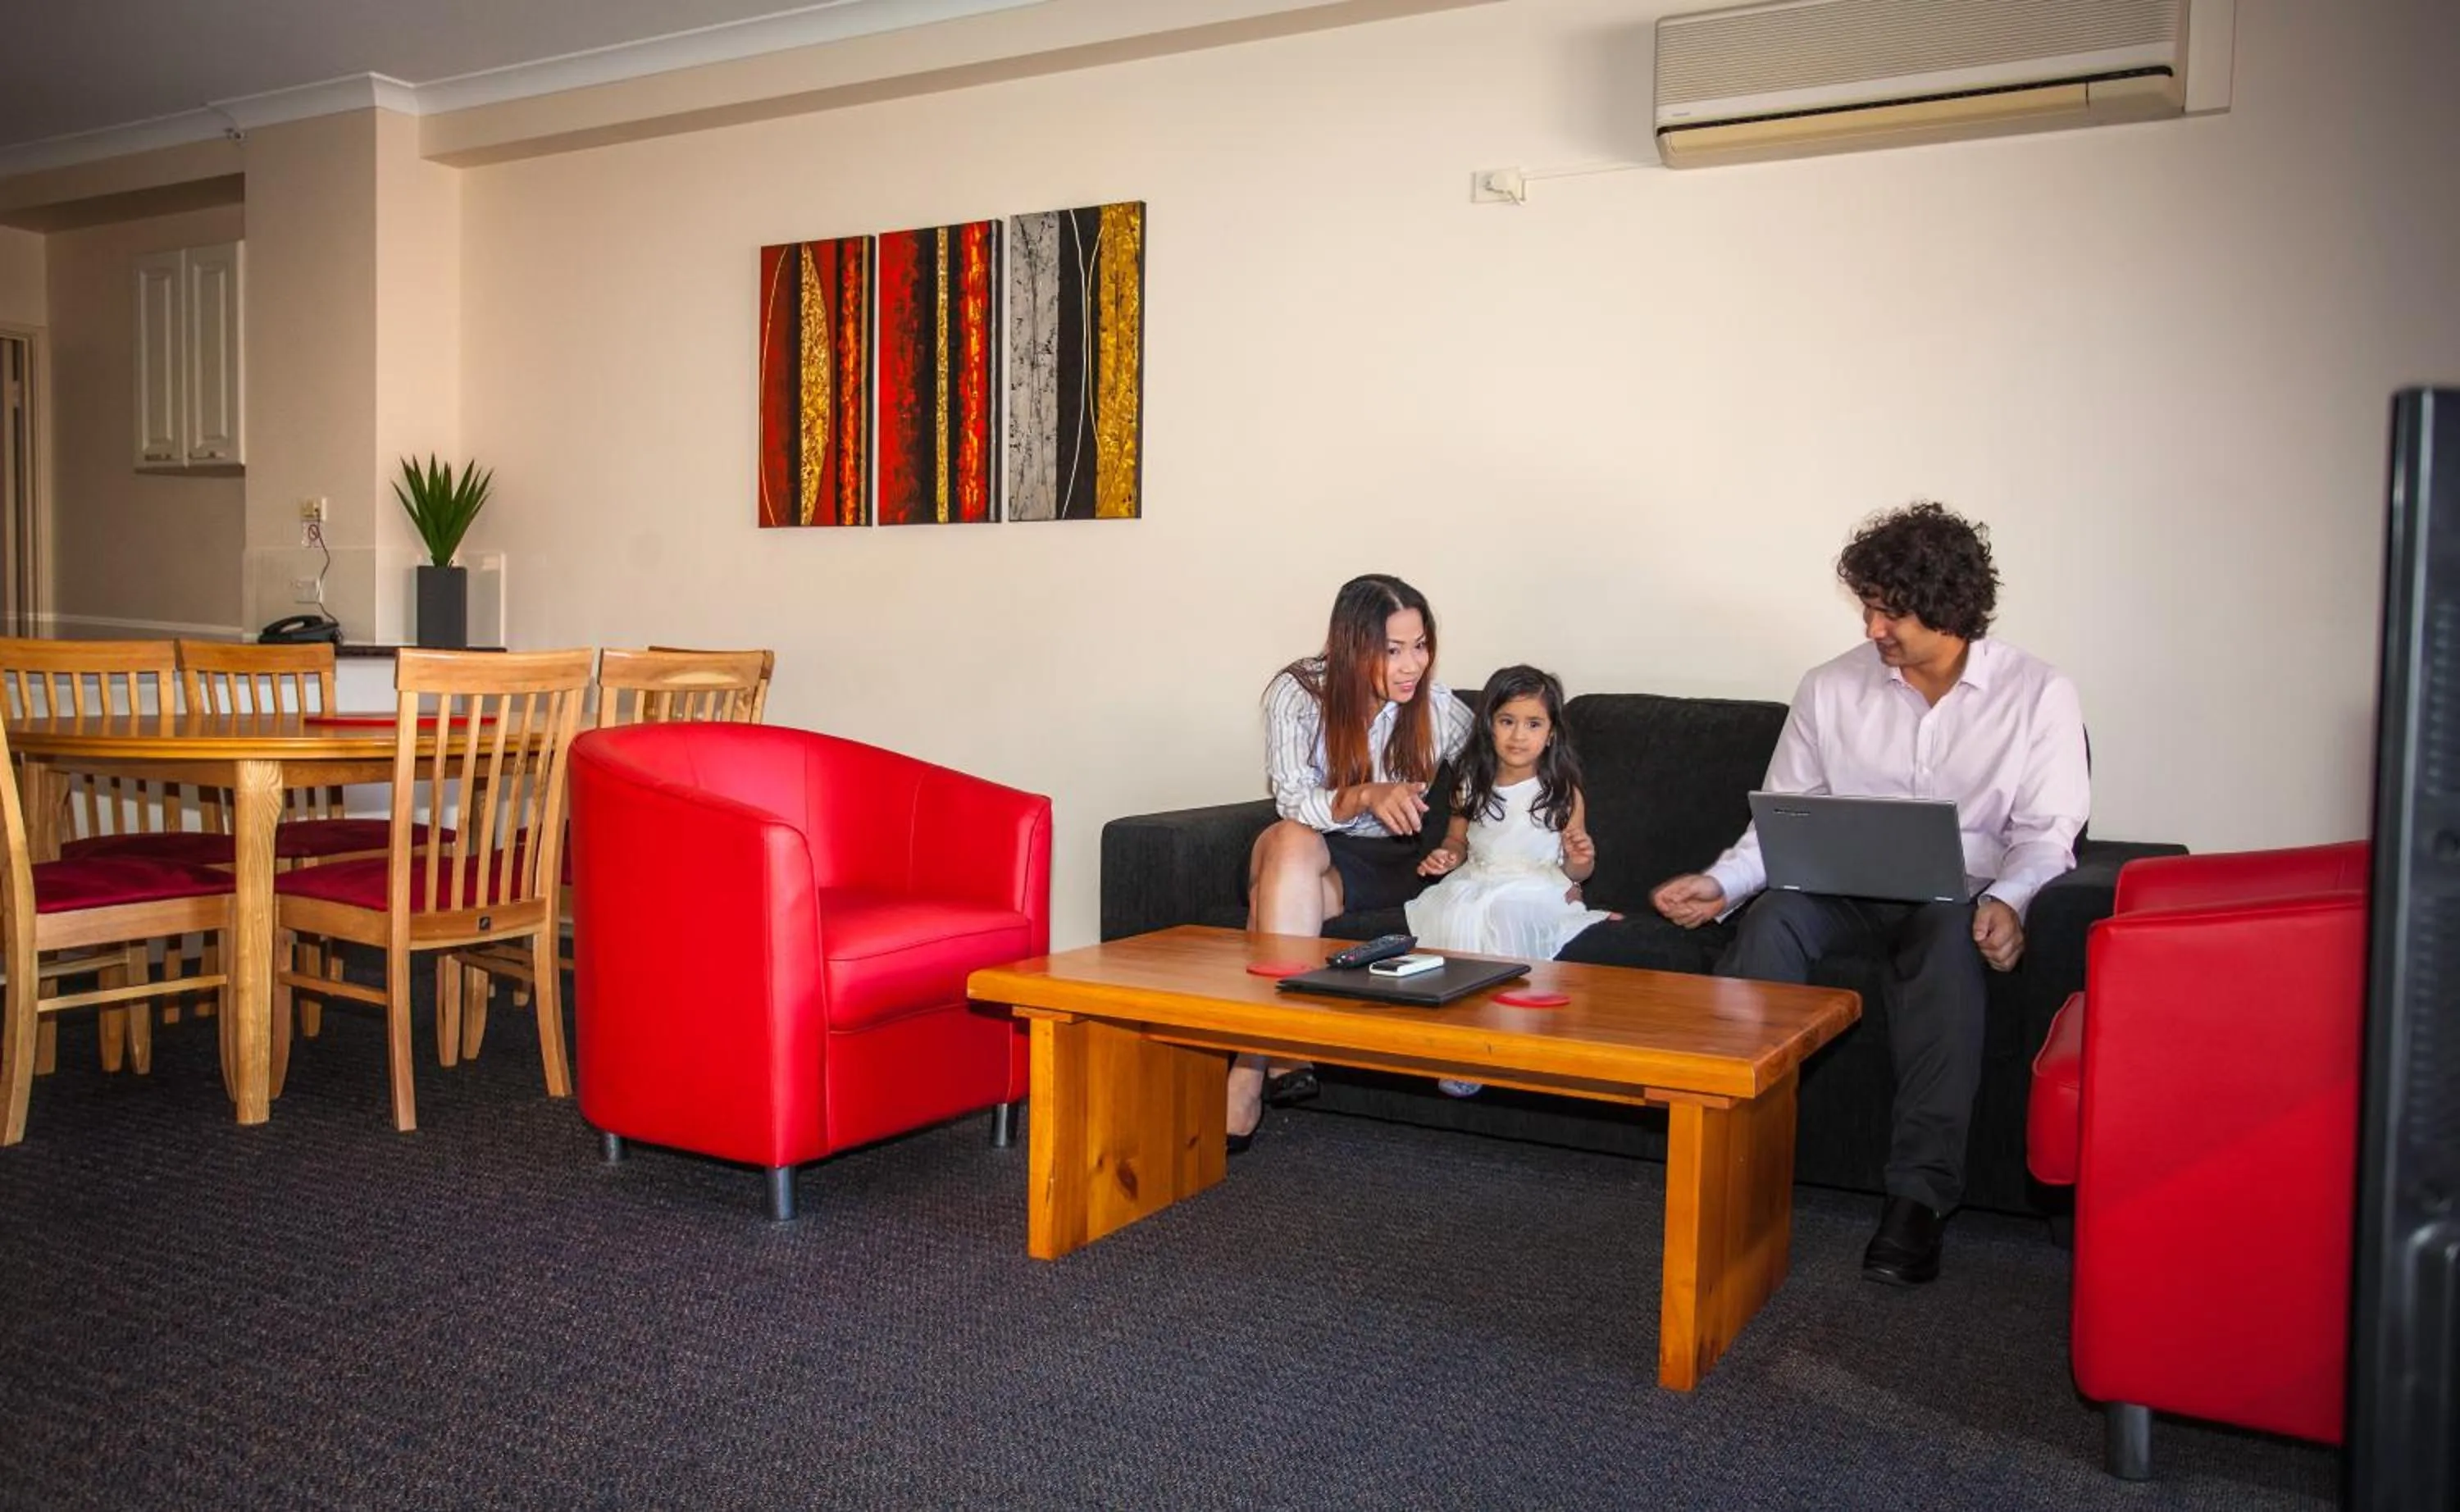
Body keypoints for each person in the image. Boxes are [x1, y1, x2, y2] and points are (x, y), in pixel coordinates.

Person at [1651, 501, 2088, 1287]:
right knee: (1773, 917)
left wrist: (2010, 902)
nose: (1872, 629)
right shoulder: (1829, 689)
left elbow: (2048, 834)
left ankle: (1917, 1202)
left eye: (1891, 612)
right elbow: (1779, 825)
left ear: (1950, 609)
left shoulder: (2038, 694)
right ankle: (1727, 1165)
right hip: (1837, 889)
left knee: (1950, 941)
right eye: (1868, 608)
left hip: (1954, 899)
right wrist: (1721, 884)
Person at [1241, 573, 1474, 1151]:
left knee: (1277, 894)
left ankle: (1252, 1063)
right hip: (1315, 840)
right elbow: (1293, 800)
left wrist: (1462, 839)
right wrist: (1365, 794)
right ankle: (1285, 1048)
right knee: (1288, 839)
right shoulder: (1298, 694)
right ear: (1353, 646)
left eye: (1420, 646)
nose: (1411, 665)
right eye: (1393, 650)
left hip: (1385, 863)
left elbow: (1491, 776)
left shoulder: (1440, 711)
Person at [1406, 665, 1613, 1098]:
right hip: (1476, 878)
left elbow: (1576, 873)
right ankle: (1460, 1046)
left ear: (1551, 732)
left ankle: (1509, 1039)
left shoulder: (1561, 790)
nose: (1519, 736)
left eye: (1533, 724)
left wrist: (1581, 860)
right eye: (1507, 722)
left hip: (1535, 884)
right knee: (1463, 911)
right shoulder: (1471, 782)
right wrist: (1447, 855)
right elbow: (1457, 840)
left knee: (1504, 911)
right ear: (1489, 726)